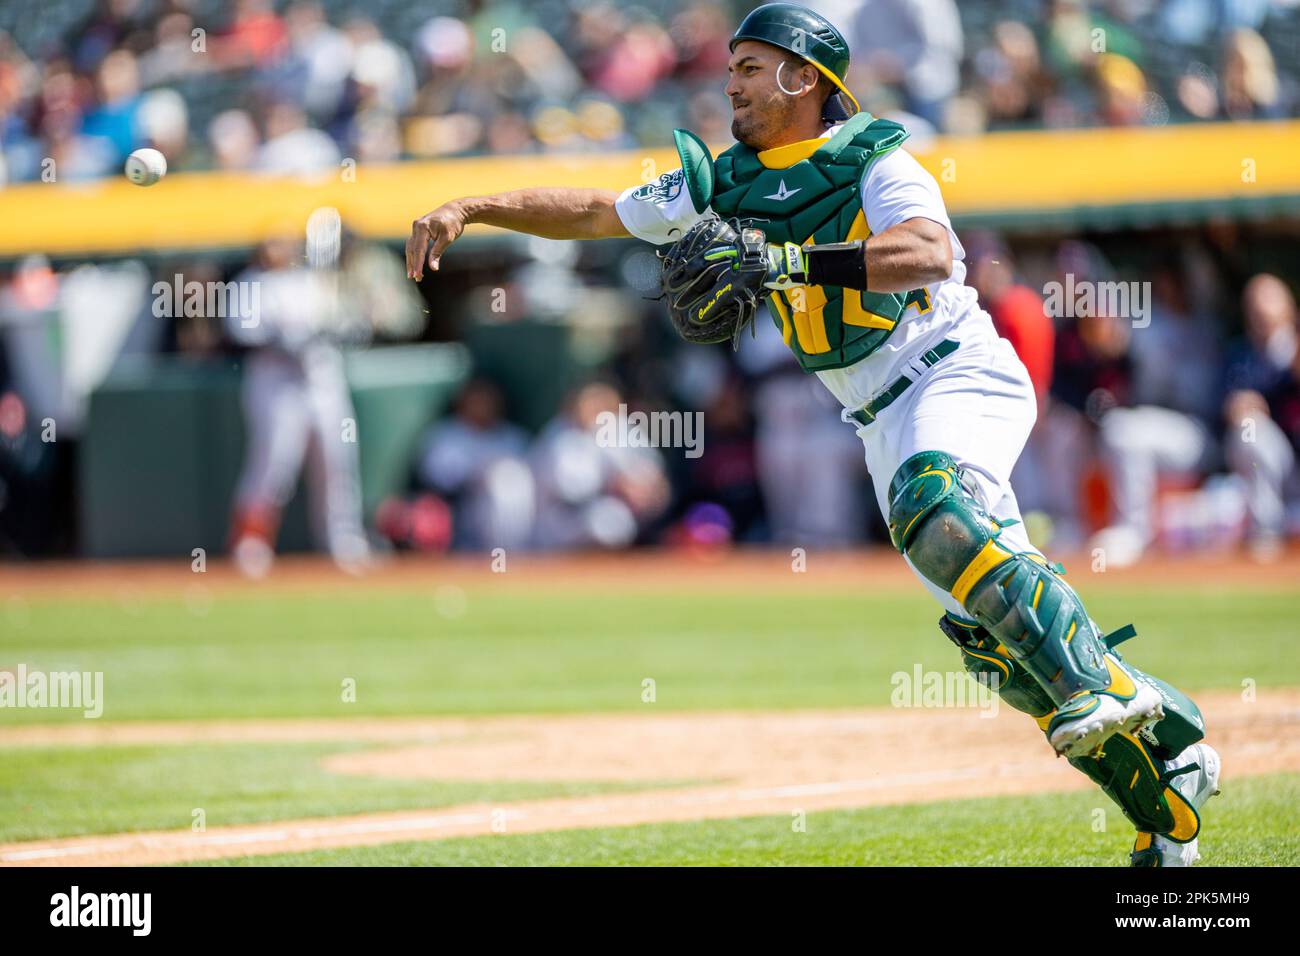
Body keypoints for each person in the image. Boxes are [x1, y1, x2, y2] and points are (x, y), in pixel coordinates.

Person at [403, 2, 1218, 867]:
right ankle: (1168, 798)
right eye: (731, 70)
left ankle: (1104, 685)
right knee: (1001, 650)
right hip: (870, 414)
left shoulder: (877, 157)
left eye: (751, 67)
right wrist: (475, 205)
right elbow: (601, 211)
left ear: (805, 75)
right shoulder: (721, 182)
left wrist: (791, 261)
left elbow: (929, 253)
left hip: (952, 368)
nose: (732, 84)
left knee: (936, 505)